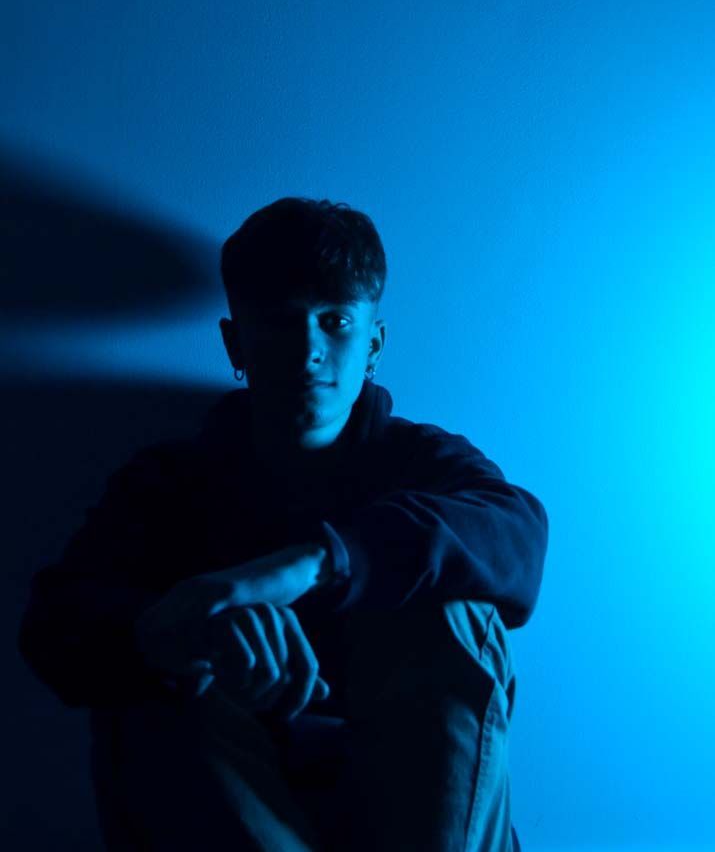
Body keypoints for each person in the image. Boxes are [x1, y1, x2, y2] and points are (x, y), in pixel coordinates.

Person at [18, 197, 548, 851]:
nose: (308, 351)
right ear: (236, 343)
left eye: (335, 321)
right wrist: (185, 624)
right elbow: (54, 625)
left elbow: (518, 536)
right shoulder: (170, 480)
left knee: (458, 608)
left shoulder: (420, 460)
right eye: (278, 323)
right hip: (237, 799)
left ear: (374, 343)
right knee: (158, 656)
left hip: (413, 811)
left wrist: (313, 564)